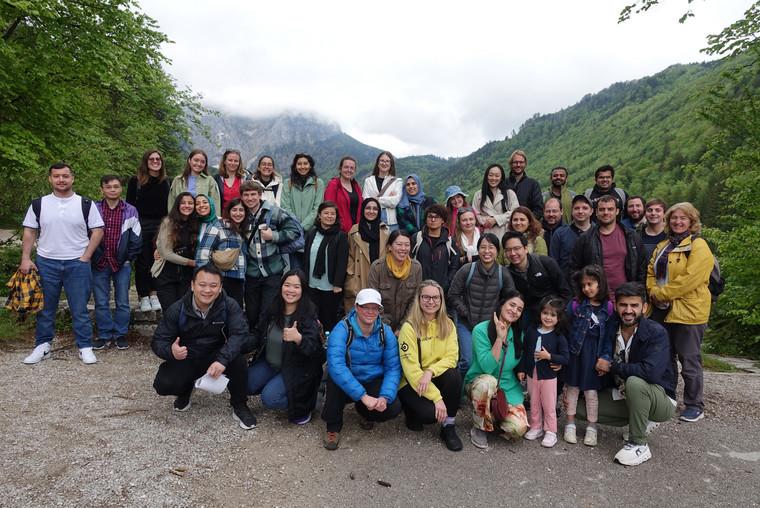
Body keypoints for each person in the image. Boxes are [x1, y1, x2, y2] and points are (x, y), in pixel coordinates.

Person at [151, 264, 257, 430]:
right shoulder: (177, 309)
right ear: (192, 285)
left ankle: (240, 404)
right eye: (202, 285)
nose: (207, 290)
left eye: (213, 285)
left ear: (220, 287)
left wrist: (222, 360)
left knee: (238, 361)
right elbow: (158, 341)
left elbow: (240, 334)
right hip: (188, 356)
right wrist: (171, 351)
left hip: (218, 355)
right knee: (163, 384)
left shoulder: (230, 306)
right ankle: (185, 390)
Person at [584, 282, 676, 466]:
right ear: (616, 306)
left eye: (634, 305)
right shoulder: (611, 327)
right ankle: (639, 420)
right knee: (580, 409)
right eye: (623, 305)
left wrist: (611, 366)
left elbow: (650, 373)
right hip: (625, 393)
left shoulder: (656, 333)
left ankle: (638, 443)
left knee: (635, 381)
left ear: (645, 307)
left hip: (660, 398)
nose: (628, 310)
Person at [21, 163, 105, 365]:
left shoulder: (85, 204)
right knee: (45, 309)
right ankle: (42, 346)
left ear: (72, 178)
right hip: (46, 262)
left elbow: (98, 230)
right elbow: (30, 231)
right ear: (50, 179)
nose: (61, 180)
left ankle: (84, 346)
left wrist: (86, 256)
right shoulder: (38, 204)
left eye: (65, 176)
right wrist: (25, 257)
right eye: (56, 176)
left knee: (80, 309)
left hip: (77, 263)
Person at [647, 202, 714, 423]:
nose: (677, 222)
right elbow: (650, 272)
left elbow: (691, 279)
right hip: (661, 309)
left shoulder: (699, 245)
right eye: (674, 218)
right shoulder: (663, 245)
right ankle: (668, 397)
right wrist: (652, 290)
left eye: (682, 218)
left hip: (689, 311)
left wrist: (662, 293)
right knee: (665, 357)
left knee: (689, 358)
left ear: (692, 221)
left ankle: (695, 404)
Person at [321, 288, 402, 450]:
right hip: (347, 379)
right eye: (366, 307)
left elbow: (393, 367)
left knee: (393, 407)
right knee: (335, 378)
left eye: (375, 308)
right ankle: (333, 427)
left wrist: (385, 397)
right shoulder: (342, 329)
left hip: (371, 379)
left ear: (379, 310)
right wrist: (363, 396)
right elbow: (336, 366)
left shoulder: (385, 333)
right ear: (357, 307)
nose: (370, 312)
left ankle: (365, 412)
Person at [247, 270, 325, 424]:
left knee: (270, 398)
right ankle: (278, 385)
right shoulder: (273, 307)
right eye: (287, 285)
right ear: (281, 286)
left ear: (303, 290)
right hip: (271, 363)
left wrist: (299, 339)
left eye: (296, 287)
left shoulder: (309, 313)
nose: (290, 290)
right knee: (245, 384)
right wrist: (236, 342)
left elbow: (317, 353)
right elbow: (257, 334)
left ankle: (310, 402)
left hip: (296, 369)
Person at [397, 281, 463, 451]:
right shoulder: (409, 328)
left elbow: (452, 357)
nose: (431, 301)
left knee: (454, 376)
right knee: (429, 416)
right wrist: (437, 398)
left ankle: (448, 427)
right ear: (418, 300)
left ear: (441, 300)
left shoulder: (448, 324)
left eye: (435, 297)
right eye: (426, 297)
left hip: (432, 376)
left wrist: (431, 370)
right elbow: (411, 371)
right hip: (412, 383)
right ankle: (411, 411)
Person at [465, 292, 529, 449]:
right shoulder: (481, 330)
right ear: (502, 305)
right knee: (488, 382)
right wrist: (500, 338)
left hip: (507, 388)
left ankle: (494, 416)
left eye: (519, 309)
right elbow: (488, 367)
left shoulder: (519, 334)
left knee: (518, 428)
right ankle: (480, 427)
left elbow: (522, 361)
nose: (514, 311)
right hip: (480, 383)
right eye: (511, 305)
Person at [448, 233, 515, 376]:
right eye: (483, 247)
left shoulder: (503, 273)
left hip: (489, 325)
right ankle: (460, 393)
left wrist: (499, 318)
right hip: (466, 324)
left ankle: (482, 395)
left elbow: (510, 300)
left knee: (486, 361)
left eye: (491, 247)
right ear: (478, 250)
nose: (487, 251)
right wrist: (466, 312)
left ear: (497, 251)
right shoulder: (467, 269)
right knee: (467, 360)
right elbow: (453, 295)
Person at [240, 181, 302, 330]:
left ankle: (264, 343)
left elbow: (295, 231)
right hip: (251, 271)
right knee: (251, 311)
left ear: (260, 194)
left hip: (272, 270)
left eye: (253, 194)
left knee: (268, 310)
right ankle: (253, 341)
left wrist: (273, 236)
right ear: (242, 197)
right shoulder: (240, 213)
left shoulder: (274, 211)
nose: (250, 198)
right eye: (246, 195)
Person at [564, 265, 614, 447]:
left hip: (594, 356)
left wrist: (605, 358)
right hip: (576, 354)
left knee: (591, 392)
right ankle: (570, 423)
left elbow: (609, 337)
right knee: (572, 388)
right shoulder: (576, 304)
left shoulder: (608, 308)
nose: (587, 288)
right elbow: (565, 328)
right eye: (584, 285)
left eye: (590, 284)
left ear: (600, 283)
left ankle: (592, 427)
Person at [91, 175, 142, 350]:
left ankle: (120, 334)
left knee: (122, 301)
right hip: (99, 262)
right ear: (102, 189)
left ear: (121, 189)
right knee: (101, 301)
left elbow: (136, 237)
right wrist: (92, 256)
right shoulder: (94, 209)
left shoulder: (130, 210)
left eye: (116, 186)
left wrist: (128, 258)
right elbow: (86, 235)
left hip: (122, 263)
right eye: (108, 187)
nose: (112, 190)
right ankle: (104, 334)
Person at [571, 195, 647, 302]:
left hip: (626, 297)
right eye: (602, 209)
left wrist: (638, 294)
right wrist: (580, 297)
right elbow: (574, 270)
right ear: (596, 212)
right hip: (596, 299)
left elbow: (641, 269)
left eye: (610, 209)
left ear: (617, 211)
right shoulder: (585, 239)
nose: (606, 212)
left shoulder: (631, 237)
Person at [518, 297, 569, 448]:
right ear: (540, 313)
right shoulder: (531, 332)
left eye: (553, 315)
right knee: (533, 402)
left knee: (548, 404)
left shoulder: (559, 337)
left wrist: (550, 356)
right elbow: (525, 352)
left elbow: (566, 358)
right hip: (531, 374)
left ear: (558, 318)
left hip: (548, 377)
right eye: (545, 313)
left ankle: (551, 431)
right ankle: (536, 427)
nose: (548, 317)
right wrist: (521, 369)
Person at [127, 149, 170, 312]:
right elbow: (129, 206)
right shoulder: (135, 181)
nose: (155, 161)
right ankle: (143, 295)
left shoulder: (166, 181)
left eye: (158, 158)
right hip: (141, 224)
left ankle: (154, 293)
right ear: (146, 161)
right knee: (143, 261)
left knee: (158, 259)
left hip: (162, 225)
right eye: (151, 159)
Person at [502, 231, 571, 326]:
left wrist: (557, 313)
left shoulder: (546, 263)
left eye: (516, 248)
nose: (513, 253)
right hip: (527, 317)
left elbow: (565, 292)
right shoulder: (507, 273)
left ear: (526, 249)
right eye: (508, 250)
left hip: (551, 314)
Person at [303, 201, 349, 331]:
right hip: (312, 284)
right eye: (326, 213)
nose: (329, 216)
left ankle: (328, 345)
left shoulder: (341, 236)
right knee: (312, 317)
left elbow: (342, 261)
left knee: (328, 318)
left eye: (332, 214)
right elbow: (306, 257)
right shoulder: (312, 233)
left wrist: (338, 284)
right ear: (319, 215)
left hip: (330, 286)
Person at [195, 198, 248, 308]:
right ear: (228, 211)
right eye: (234, 210)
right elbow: (203, 254)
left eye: (241, 210)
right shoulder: (218, 226)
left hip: (239, 279)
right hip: (222, 278)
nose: (238, 213)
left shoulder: (245, 228)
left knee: (235, 312)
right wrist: (206, 279)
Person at [368, 230, 423, 334]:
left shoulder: (416, 267)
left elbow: (415, 300)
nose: (403, 248)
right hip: (379, 326)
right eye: (399, 244)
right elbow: (373, 300)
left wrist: (402, 327)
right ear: (389, 247)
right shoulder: (377, 267)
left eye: (407, 245)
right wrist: (385, 327)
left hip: (407, 325)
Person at [152, 193, 198, 312]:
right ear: (177, 205)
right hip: (167, 274)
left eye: (190, 203)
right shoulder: (168, 222)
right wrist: (190, 262)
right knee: (170, 312)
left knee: (186, 311)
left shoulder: (197, 222)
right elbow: (166, 253)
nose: (187, 206)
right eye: (183, 203)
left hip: (187, 277)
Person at [344, 198, 389, 311]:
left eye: (375, 209)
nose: (371, 211)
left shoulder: (385, 231)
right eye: (368, 208)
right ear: (363, 210)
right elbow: (349, 255)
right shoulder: (355, 231)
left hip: (379, 277)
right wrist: (351, 275)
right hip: (359, 277)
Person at [410, 204, 460, 293]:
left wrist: (447, 283)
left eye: (437, 217)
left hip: (442, 290)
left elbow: (455, 265)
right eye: (430, 217)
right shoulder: (417, 238)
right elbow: (409, 261)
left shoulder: (449, 241)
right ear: (426, 219)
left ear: (443, 220)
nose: (433, 220)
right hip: (418, 289)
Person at [550, 194, 593, 279]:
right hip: (567, 286)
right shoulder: (560, 234)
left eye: (585, 208)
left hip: (594, 286)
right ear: (571, 211)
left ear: (591, 211)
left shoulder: (598, 233)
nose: (580, 211)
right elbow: (553, 264)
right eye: (576, 208)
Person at [280, 153, 324, 234]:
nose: (302, 167)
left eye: (305, 163)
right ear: (295, 167)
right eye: (299, 164)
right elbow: (285, 206)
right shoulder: (288, 183)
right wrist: (296, 226)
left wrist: (302, 226)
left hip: (312, 230)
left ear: (310, 166)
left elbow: (317, 208)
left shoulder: (318, 183)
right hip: (292, 230)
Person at [472, 163, 519, 240]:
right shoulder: (478, 195)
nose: (493, 178)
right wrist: (487, 221)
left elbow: (515, 212)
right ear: (486, 176)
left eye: (497, 176)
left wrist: (496, 219)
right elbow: (475, 214)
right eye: (491, 175)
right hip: (486, 233)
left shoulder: (509, 193)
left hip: (505, 233)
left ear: (501, 178)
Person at [168, 149, 221, 215]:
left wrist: (216, 221)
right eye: (196, 160)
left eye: (202, 162)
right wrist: (171, 219)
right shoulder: (178, 180)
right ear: (189, 160)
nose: (199, 164)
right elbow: (172, 202)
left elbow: (215, 204)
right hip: (181, 220)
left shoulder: (210, 181)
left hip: (202, 221)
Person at [362, 151, 403, 231]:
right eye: (382, 160)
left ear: (391, 164)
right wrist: (388, 199)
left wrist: (376, 199)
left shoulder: (397, 181)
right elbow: (366, 201)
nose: (384, 163)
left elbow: (395, 201)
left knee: (391, 243)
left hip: (391, 223)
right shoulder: (369, 181)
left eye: (387, 161)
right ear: (378, 163)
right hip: (372, 220)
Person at [324, 156, 363, 233]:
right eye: (346, 167)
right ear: (340, 168)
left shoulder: (356, 186)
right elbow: (328, 208)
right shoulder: (333, 185)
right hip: (339, 230)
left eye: (352, 168)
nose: (349, 170)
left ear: (355, 171)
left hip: (356, 230)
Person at [507, 150, 543, 218]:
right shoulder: (503, 183)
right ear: (511, 164)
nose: (518, 165)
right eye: (515, 162)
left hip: (528, 225)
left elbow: (538, 209)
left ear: (525, 164)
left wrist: (525, 221)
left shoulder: (533, 184)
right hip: (505, 226)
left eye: (521, 162)